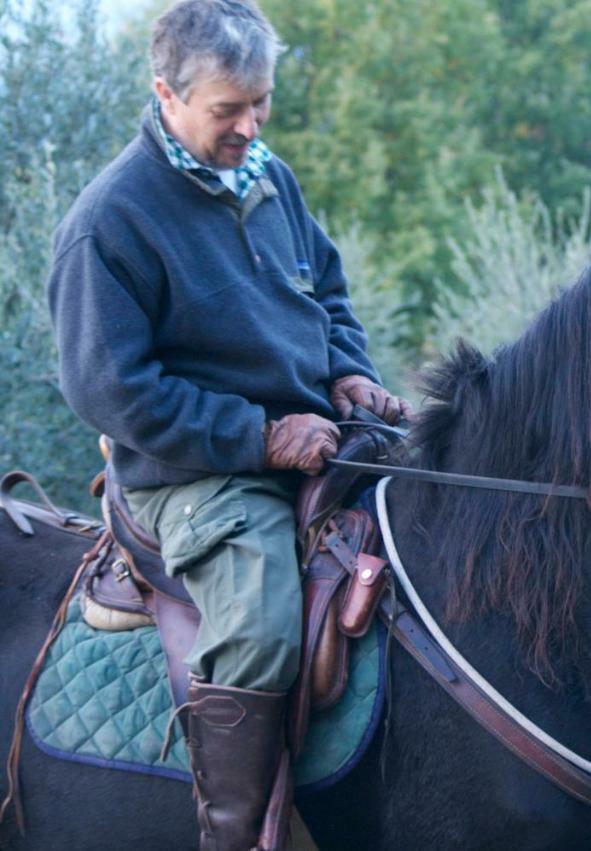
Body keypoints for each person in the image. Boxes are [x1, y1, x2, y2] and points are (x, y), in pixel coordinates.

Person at [45, 2, 409, 848]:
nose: (249, 126)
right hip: (195, 476)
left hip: (316, 438)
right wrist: (258, 436)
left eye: (261, 103)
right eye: (227, 109)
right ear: (166, 94)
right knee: (259, 620)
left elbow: (327, 292)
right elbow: (110, 390)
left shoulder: (270, 180)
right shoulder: (108, 223)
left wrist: (349, 370)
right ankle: (235, 832)